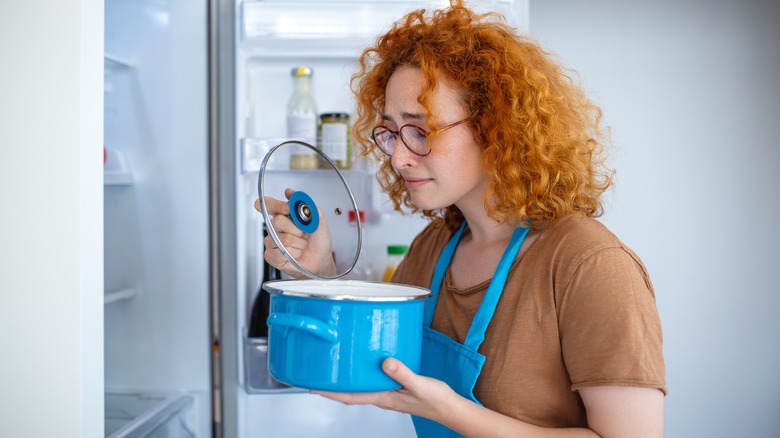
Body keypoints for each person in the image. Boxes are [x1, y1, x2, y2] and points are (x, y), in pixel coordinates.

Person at [257, 1, 666, 436]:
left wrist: (450, 410)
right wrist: (317, 272)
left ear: (495, 126)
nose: (397, 156)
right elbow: (365, 355)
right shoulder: (433, 248)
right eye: (391, 132)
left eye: (420, 130)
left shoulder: (589, 264)